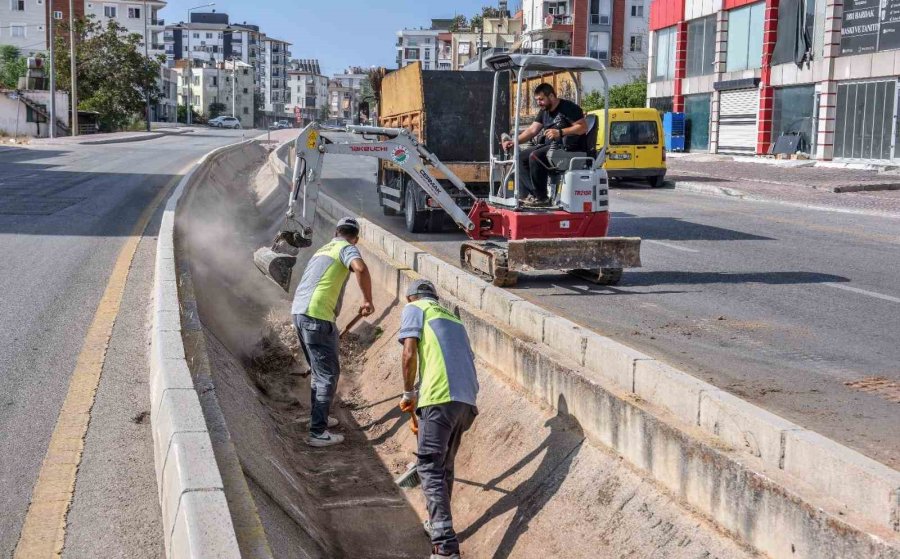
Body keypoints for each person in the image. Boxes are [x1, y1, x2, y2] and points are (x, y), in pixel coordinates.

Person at [398, 279, 479, 559]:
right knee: (443, 467)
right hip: (466, 399)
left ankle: (445, 546)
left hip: (440, 397)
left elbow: (409, 353)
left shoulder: (415, 308)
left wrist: (408, 392)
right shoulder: (452, 319)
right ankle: (437, 525)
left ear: (411, 297)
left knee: (430, 468)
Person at [292, 217, 374, 447]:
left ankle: (318, 418)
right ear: (356, 238)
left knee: (319, 373)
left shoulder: (323, 249)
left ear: (336, 231)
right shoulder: (346, 248)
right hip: (317, 316)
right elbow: (361, 267)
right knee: (328, 375)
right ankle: (318, 432)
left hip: (299, 312)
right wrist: (367, 300)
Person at [501, 83, 589, 207]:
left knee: (535, 156)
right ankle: (532, 195)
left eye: (541, 99)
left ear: (551, 96)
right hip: (551, 148)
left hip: (568, 149)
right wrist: (514, 141)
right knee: (520, 157)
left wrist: (560, 132)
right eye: (537, 100)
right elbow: (532, 130)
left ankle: (541, 198)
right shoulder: (544, 111)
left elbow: (583, 127)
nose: (539, 103)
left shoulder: (569, 108)